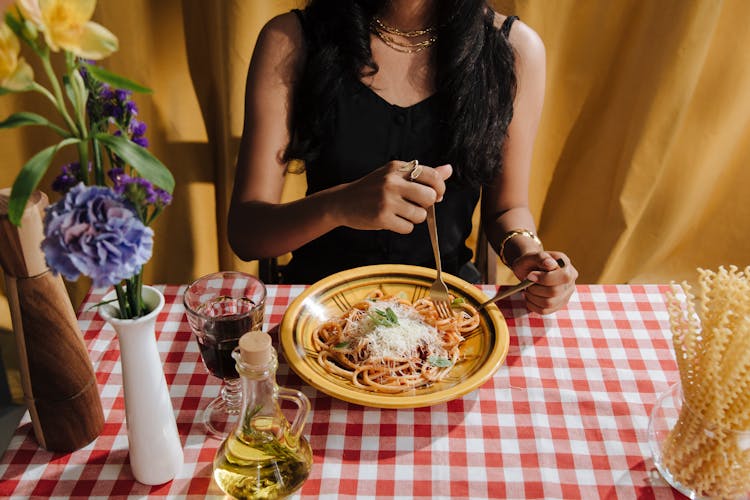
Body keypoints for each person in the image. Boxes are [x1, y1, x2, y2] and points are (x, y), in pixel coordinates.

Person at [228, 0, 578, 314]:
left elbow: (507, 209)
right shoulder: (291, 39)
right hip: (318, 305)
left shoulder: (514, 48)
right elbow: (247, 233)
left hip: (445, 309)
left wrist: (529, 255)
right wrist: (338, 205)